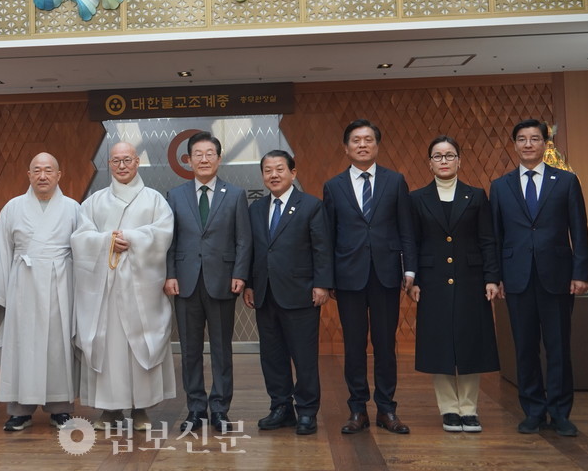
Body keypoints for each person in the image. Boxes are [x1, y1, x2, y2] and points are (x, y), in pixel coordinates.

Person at [491, 119, 588, 437]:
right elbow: (496, 236)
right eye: (522, 139)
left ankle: (560, 412)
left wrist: (581, 271)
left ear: (546, 143)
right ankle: (533, 410)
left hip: (558, 277)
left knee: (558, 346)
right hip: (517, 278)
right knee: (525, 347)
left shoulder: (566, 181)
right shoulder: (500, 186)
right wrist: (497, 276)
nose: (529, 144)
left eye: (535, 138)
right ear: (515, 145)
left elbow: (580, 229)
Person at [71, 141, 176, 430]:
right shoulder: (94, 201)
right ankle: (110, 410)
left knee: (139, 345)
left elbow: (163, 233)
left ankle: (141, 409)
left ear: (137, 162)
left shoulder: (154, 200)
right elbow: (80, 238)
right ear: (109, 164)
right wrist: (106, 241)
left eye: (127, 160)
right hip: (104, 292)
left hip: (142, 290)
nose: (121, 166)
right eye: (116, 161)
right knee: (109, 348)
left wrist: (132, 238)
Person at [322, 119, 416, 435]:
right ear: (346, 147)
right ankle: (357, 410)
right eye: (356, 140)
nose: (362, 145)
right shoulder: (333, 186)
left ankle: (387, 410)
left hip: (387, 274)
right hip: (348, 277)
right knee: (353, 346)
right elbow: (328, 236)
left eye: (368, 140)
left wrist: (410, 269)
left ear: (377, 145)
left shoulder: (395, 181)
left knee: (385, 345)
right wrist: (328, 277)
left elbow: (406, 229)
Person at [0, 152, 79, 431]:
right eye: (37, 170)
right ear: (29, 175)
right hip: (22, 283)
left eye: (49, 170)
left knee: (57, 347)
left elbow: (84, 253)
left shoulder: (73, 208)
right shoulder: (13, 208)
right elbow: (0, 251)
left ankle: (60, 408)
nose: (43, 175)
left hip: (61, 284)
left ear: (59, 175)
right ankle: (19, 409)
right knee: (21, 346)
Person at [408, 136, 500, 433]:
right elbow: (412, 242)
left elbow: (488, 240)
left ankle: (469, 409)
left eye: (450, 156)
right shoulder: (417, 198)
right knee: (440, 343)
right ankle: (449, 409)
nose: (444, 161)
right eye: (438, 156)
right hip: (432, 282)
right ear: (430, 163)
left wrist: (491, 278)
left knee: (470, 341)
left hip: (472, 280)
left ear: (460, 161)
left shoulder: (475, 195)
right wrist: (414, 279)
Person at [164, 131, 252, 433]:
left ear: (219, 157)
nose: (203, 159)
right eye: (197, 154)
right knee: (189, 350)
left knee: (221, 349)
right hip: (186, 282)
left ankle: (219, 409)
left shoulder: (236, 194)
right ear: (188, 160)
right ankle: (195, 408)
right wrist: (170, 274)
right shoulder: (175, 195)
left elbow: (244, 240)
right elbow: (170, 241)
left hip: (222, 281)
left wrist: (240, 273)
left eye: (209, 153)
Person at [244, 150, 333, 435]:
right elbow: (252, 250)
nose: (273, 175)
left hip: (301, 293)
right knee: (272, 356)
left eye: (280, 169)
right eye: (268, 170)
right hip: (266, 294)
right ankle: (280, 408)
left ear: (293, 173)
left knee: (304, 356)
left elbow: (322, 248)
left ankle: (307, 411)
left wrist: (322, 284)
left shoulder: (310, 205)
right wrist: (249, 284)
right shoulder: (255, 209)